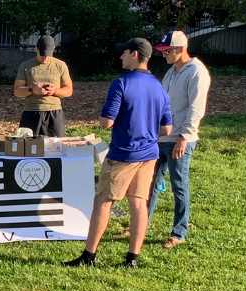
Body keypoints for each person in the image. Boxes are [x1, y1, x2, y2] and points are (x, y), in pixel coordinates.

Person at [62, 38, 172, 268]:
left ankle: (88, 257)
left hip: (123, 154)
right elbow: (166, 129)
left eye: (123, 53)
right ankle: (132, 259)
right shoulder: (159, 87)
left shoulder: (121, 83)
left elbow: (106, 123)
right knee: (139, 204)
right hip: (149, 154)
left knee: (103, 201)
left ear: (134, 55)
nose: (120, 56)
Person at [148, 31, 211, 248]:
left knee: (179, 185)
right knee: (151, 184)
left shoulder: (196, 72)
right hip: (162, 138)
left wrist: (184, 137)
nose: (164, 54)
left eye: (168, 51)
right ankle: (141, 224)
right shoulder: (172, 71)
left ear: (181, 49)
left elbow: (196, 107)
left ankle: (179, 233)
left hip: (180, 140)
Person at [14, 35, 73, 137]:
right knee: (28, 147)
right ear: (36, 48)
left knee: (56, 147)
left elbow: (69, 90)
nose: (45, 58)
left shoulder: (60, 65)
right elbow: (17, 91)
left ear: (53, 49)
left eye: (48, 54)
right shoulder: (26, 66)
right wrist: (32, 89)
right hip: (32, 112)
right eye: (42, 54)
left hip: (54, 113)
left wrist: (55, 91)